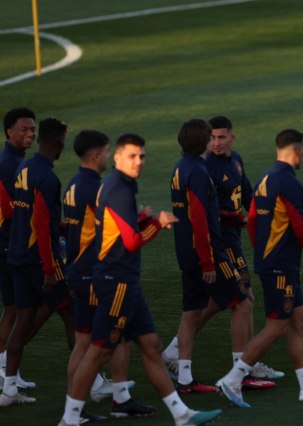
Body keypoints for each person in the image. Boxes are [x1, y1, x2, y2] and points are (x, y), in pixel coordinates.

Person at [58, 134, 222, 426]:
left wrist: (144, 219)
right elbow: (131, 242)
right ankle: (70, 419)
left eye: (142, 156)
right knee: (98, 351)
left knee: (151, 345)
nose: (139, 162)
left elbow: (118, 229)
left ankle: (181, 414)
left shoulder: (116, 185)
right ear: (116, 157)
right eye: (132, 156)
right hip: (116, 281)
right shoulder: (118, 188)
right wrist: (157, 223)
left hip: (125, 281)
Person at [216, 129, 303, 408]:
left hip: (273, 262)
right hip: (280, 266)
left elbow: (251, 220)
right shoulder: (289, 182)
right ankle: (233, 379)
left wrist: (262, 252)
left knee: (299, 318)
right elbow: (301, 226)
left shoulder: (265, 178)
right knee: (276, 326)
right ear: (296, 151)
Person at [163, 116, 282, 390]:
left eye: (220, 137)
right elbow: (202, 217)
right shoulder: (201, 170)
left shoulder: (222, 162)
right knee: (243, 302)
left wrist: (255, 217)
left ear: (232, 137)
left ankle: (180, 365)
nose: (215, 142)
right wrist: (209, 259)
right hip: (216, 246)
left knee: (201, 307)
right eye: (211, 137)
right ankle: (242, 370)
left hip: (206, 245)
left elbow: (244, 195)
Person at [63, 129, 151, 420]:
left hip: (78, 267)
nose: (108, 156)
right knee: (89, 345)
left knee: (113, 337)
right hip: (92, 271)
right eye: (106, 151)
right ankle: (75, 409)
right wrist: (145, 222)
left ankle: (119, 398)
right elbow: (112, 230)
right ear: (95, 155)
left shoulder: (74, 184)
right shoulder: (96, 187)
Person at [1, 117, 75, 406]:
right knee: (73, 316)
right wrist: (49, 269)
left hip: (18, 255)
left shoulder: (25, 167)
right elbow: (42, 226)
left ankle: (8, 389)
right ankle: (91, 382)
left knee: (22, 320)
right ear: (58, 144)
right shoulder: (47, 178)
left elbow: (25, 215)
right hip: (39, 258)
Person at [0, 108, 37, 391]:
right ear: (9, 131)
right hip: (8, 244)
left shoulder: (14, 160)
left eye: (32, 130)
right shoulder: (9, 164)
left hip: (9, 243)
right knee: (15, 309)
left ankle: (6, 369)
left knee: (14, 309)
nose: (30, 134)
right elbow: (10, 209)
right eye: (24, 129)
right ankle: (4, 367)